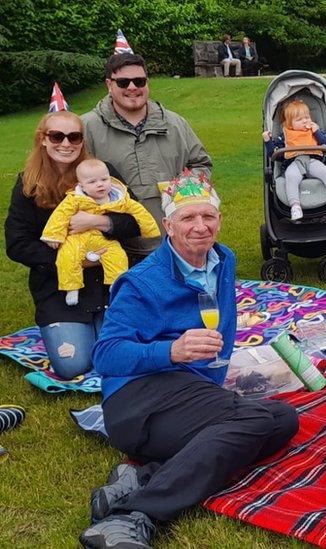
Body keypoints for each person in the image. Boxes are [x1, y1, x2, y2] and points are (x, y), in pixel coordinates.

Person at [79, 172, 299, 549]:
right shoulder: (142, 282)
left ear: (219, 219)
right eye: (187, 218)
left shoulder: (223, 258)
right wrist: (171, 351)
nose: (200, 227)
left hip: (187, 391)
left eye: (208, 216)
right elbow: (105, 355)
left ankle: (145, 476)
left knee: (283, 420)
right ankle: (135, 515)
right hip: (138, 399)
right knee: (253, 417)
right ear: (168, 225)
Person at [5, 111, 142, 379]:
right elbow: (17, 243)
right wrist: (73, 260)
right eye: (57, 136)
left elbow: (135, 222)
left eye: (74, 136)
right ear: (43, 139)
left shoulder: (104, 173)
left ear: (82, 141)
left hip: (108, 280)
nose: (66, 143)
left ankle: (100, 328)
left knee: (118, 355)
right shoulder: (27, 184)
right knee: (72, 365)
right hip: (58, 285)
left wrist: (99, 222)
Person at [82, 52, 212, 262]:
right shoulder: (87, 127)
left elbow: (201, 163)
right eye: (123, 82)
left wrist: (185, 186)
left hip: (173, 244)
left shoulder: (174, 123)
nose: (132, 87)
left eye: (139, 81)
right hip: (113, 249)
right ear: (109, 84)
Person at [41, 158, 159, 306]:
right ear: (81, 186)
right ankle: (71, 287)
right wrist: (53, 235)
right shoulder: (75, 199)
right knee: (67, 257)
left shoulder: (120, 199)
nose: (100, 184)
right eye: (92, 182)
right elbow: (60, 215)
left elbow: (139, 212)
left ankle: (115, 284)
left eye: (104, 179)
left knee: (118, 256)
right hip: (77, 237)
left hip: (103, 238)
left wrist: (150, 229)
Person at [263, 98, 326, 221]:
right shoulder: (284, 137)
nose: (305, 121)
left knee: (325, 172)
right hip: (294, 164)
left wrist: (317, 132)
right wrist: (268, 141)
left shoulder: (314, 133)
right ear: (289, 124)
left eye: (307, 117)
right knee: (291, 177)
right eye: (299, 119)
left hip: (313, 161)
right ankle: (295, 206)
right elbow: (274, 154)